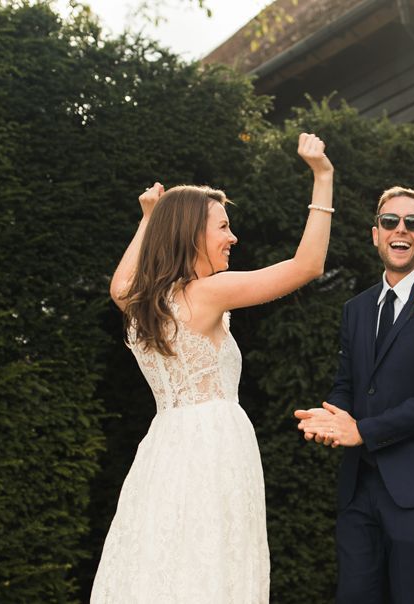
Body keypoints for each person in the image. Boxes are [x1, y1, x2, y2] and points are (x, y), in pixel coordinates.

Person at [91, 133, 334, 603]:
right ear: (192, 235)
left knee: (166, 560)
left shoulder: (144, 301)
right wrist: (323, 177)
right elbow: (307, 265)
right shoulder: (207, 293)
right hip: (212, 449)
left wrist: (148, 219)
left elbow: (119, 282)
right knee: (213, 564)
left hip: (165, 447)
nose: (232, 236)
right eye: (223, 227)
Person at [295, 186, 414, 604]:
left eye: (413, 223)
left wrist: (362, 430)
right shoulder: (356, 309)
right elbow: (349, 382)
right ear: (375, 233)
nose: (401, 229)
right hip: (359, 487)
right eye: (390, 222)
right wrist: (331, 419)